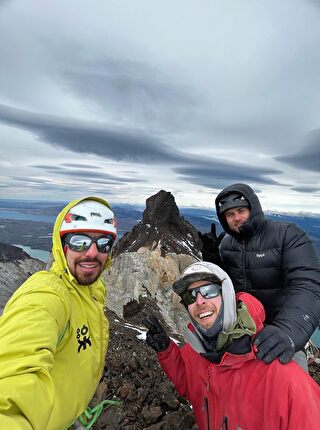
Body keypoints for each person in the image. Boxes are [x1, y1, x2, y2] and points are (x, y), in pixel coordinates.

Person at [143, 261, 320, 430]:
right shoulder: (195, 352)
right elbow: (190, 385)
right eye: (191, 296)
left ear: (226, 295)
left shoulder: (282, 375)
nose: (199, 301)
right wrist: (166, 350)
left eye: (209, 291)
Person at [0, 197, 117, 430]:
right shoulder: (46, 296)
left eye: (104, 243)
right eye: (80, 242)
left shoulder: (92, 290)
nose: (92, 253)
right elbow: (14, 380)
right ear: (62, 247)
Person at [200, 182, 320, 369]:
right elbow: (228, 289)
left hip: (282, 330)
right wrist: (213, 259)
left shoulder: (288, 235)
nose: (236, 218)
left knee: (293, 387)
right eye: (229, 214)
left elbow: (308, 285)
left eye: (241, 210)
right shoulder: (225, 244)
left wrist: (287, 331)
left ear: (253, 208)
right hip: (242, 334)